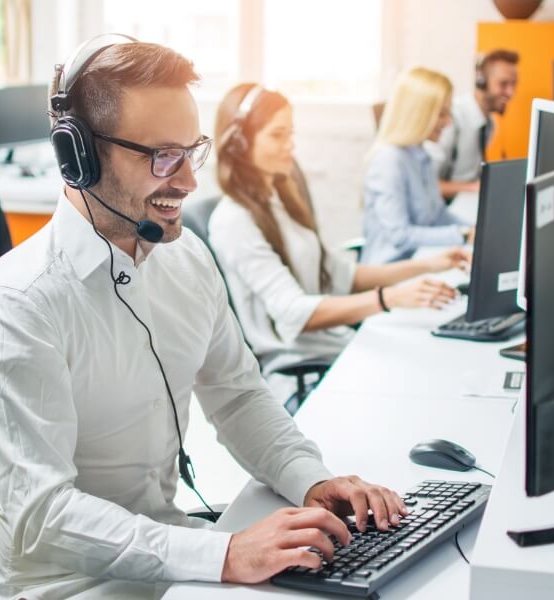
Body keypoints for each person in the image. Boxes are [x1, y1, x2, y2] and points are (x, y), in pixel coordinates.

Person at [0, 35, 414, 600]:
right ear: (78, 155)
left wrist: (309, 479)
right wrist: (225, 553)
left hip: (173, 561)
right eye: (161, 157)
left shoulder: (185, 258)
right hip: (67, 588)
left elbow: (239, 394)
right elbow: (41, 514)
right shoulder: (17, 306)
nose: (191, 182)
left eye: (190, 151)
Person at [209, 83, 469, 396]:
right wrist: (390, 298)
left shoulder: (277, 199)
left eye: (291, 133)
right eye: (278, 135)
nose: (290, 145)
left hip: (333, 346)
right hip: (301, 369)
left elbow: (341, 274)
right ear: (239, 144)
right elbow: (294, 313)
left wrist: (431, 264)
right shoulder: (234, 220)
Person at [361, 67, 474, 265]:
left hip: (421, 259)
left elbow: (438, 215)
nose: (448, 123)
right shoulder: (389, 160)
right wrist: (462, 235)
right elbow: (400, 236)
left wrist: (476, 229)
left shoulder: (422, 155)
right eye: (441, 114)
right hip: (391, 271)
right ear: (418, 114)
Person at [427, 49, 519, 199]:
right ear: (481, 82)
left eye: (514, 84)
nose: (511, 92)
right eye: (503, 84)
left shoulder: (489, 124)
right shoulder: (450, 121)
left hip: (468, 199)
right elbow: (427, 185)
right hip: (446, 206)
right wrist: (473, 188)